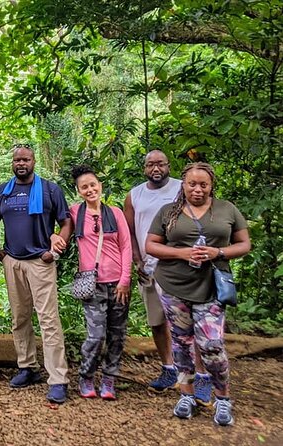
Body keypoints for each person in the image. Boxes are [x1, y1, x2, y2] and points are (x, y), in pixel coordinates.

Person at [145, 162, 251, 426]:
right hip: (172, 285)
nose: (197, 189)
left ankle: (223, 399)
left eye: (203, 184)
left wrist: (219, 252)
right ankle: (186, 395)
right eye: (192, 183)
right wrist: (182, 252)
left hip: (211, 286)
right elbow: (151, 245)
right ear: (184, 184)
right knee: (181, 344)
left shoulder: (227, 209)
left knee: (211, 345)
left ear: (211, 185)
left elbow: (245, 244)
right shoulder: (168, 211)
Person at [124, 150, 212, 404]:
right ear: (144, 168)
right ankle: (168, 368)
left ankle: (201, 374)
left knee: (189, 321)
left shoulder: (181, 188)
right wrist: (137, 259)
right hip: (148, 267)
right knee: (157, 319)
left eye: (160, 163)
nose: (156, 168)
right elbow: (129, 230)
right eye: (150, 164)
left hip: (179, 266)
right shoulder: (135, 195)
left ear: (168, 166)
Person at [0, 145, 72, 404]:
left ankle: (58, 379)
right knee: (20, 317)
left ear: (33, 161)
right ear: (12, 163)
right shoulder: (3, 191)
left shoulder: (49, 190)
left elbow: (66, 222)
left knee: (48, 320)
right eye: (16, 160)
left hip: (40, 261)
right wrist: (0, 252)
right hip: (13, 261)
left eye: (25, 159)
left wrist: (55, 249)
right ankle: (27, 367)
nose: (21, 163)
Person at [68, 165, 132, 400]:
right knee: (95, 335)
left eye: (93, 185)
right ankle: (86, 376)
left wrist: (125, 280)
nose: (90, 189)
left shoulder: (115, 213)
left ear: (100, 186)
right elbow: (61, 229)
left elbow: (126, 246)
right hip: (91, 284)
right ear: (78, 191)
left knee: (117, 334)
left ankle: (109, 379)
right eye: (84, 187)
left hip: (118, 283)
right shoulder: (75, 213)